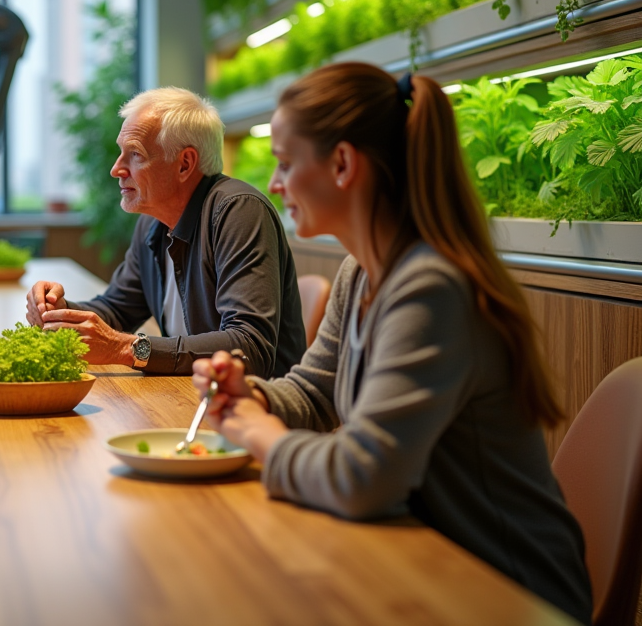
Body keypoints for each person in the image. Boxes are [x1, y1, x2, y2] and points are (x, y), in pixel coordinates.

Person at [191, 63, 592, 623]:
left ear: (342, 164)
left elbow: (364, 477)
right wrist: (254, 395)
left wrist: (259, 436)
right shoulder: (363, 271)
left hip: (506, 592)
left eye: (284, 164)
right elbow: (313, 391)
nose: (275, 184)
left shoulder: (431, 287)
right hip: (423, 566)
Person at [25, 86, 305, 377]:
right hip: (191, 397)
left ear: (184, 164)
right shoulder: (152, 221)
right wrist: (59, 312)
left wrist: (126, 348)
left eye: (135, 154)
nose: (116, 169)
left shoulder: (239, 211)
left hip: (257, 410)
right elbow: (117, 310)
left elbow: (249, 347)